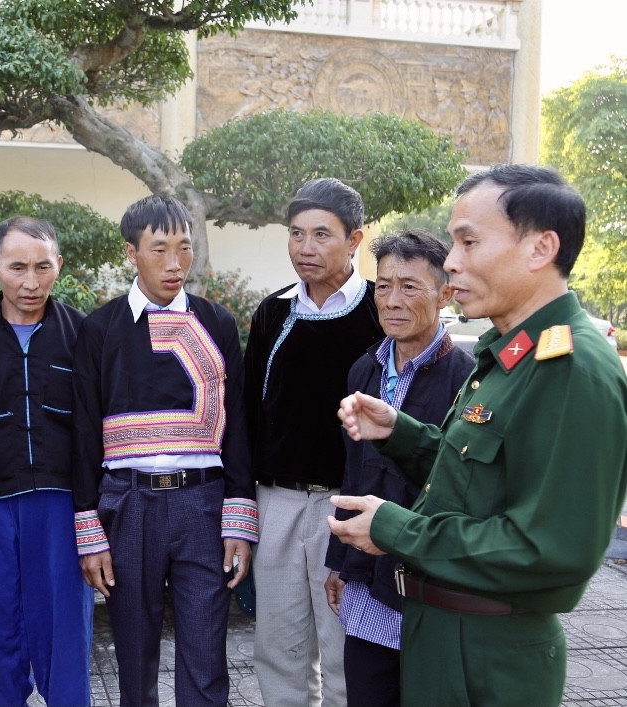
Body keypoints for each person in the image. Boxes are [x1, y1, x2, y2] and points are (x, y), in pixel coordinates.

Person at [331, 164, 627, 706]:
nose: (451, 261)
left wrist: (397, 530)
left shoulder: (571, 368)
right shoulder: (510, 356)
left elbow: (550, 549)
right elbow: (474, 482)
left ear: (540, 249)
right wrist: (401, 433)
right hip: (445, 637)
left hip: (487, 655)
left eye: (469, 242)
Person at [72, 195, 257, 707]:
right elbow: (83, 433)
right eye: (159, 249)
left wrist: (239, 519)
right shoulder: (100, 329)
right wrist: (89, 530)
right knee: (133, 657)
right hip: (127, 505)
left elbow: (238, 424)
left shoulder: (217, 323)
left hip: (204, 506)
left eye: (184, 248)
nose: (175, 263)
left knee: (207, 655)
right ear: (131, 253)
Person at [243, 177, 383, 706]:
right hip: (276, 501)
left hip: (349, 505)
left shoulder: (380, 310)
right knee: (279, 648)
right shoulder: (273, 312)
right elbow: (249, 413)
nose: (305, 247)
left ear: (354, 240)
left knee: (346, 648)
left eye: (322, 234)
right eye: (296, 233)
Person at [0, 216, 92, 706]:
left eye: (42, 267)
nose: (31, 282)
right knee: (0, 626)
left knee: (66, 627)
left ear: (59, 266)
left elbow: (95, 430)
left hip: (64, 504)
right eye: (17, 267)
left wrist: (95, 516)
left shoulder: (82, 333)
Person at [322, 230, 474, 706]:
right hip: (366, 581)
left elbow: (461, 487)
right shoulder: (364, 370)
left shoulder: (468, 380)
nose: (391, 301)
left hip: (429, 586)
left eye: (409, 287)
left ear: (445, 294)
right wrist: (339, 562)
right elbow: (353, 473)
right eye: (384, 286)